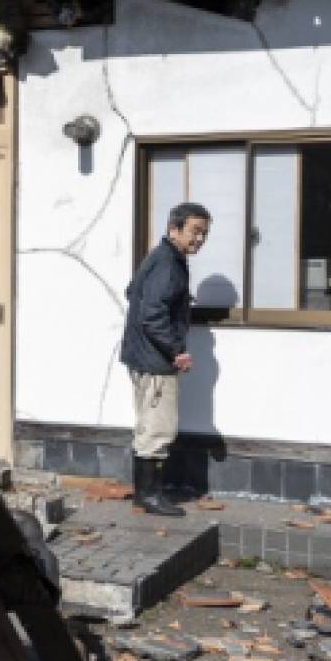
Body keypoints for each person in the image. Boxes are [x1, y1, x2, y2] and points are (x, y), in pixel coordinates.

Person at [120, 202, 211, 517]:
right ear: (174, 228)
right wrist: (176, 349)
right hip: (155, 361)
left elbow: (133, 292)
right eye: (195, 231)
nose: (199, 239)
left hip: (144, 357)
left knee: (149, 425)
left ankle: (146, 494)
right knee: (159, 427)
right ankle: (149, 495)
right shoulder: (168, 263)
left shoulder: (160, 258)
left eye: (204, 234)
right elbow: (152, 312)